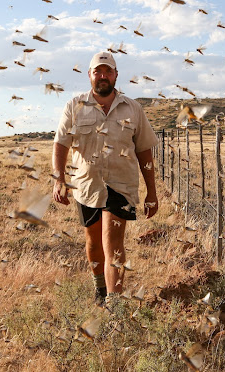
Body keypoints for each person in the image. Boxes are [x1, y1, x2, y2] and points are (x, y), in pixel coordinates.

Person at [52, 51, 159, 306]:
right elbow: (60, 144)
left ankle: (114, 305)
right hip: (86, 185)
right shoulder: (74, 106)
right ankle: (100, 287)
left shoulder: (133, 109)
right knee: (94, 243)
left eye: (108, 71)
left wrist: (152, 191)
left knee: (113, 243)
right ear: (89, 75)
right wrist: (58, 180)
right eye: (97, 71)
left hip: (121, 185)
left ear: (116, 75)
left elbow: (144, 150)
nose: (103, 76)